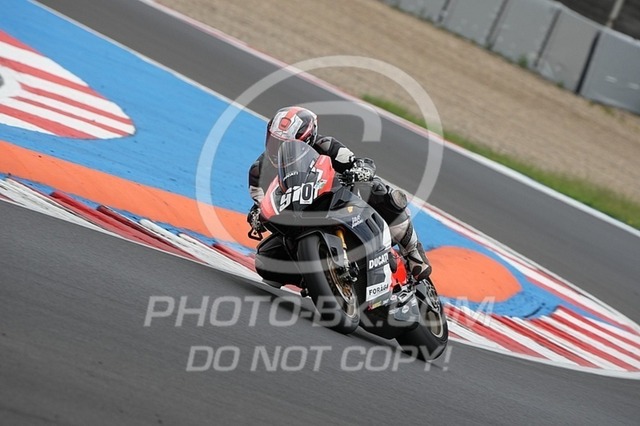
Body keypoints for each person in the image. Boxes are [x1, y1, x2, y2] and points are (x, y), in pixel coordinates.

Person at [247, 106, 431, 284]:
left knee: (375, 188)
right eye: (274, 141)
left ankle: (413, 252)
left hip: (335, 202)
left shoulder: (326, 145)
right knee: (265, 260)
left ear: (308, 138)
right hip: (295, 222)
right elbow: (262, 204)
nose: (278, 149)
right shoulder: (258, 172)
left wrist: (361, 171)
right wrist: (256, 216)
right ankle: (317, 279)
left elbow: (357, 163)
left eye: (286, 144)